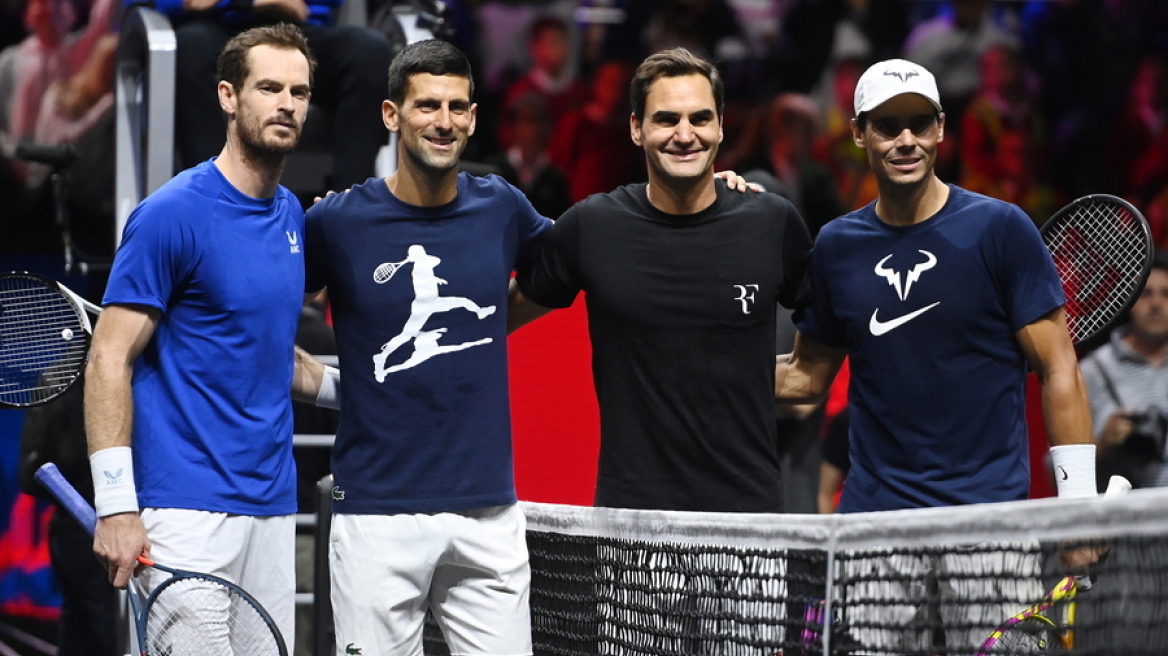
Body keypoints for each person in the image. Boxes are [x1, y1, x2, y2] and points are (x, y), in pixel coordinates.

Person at [774, 58, 1101, 653]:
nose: (905, 140)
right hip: (876, 522)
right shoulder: (836, 246)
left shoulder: (1001, 228)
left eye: (919, 124)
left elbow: (1060, 369)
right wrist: (701, 367)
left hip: (990, 521)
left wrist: (1077, 509)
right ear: (858, 133)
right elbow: (804, 376)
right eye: (888, 125)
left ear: (941, 129)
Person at [83, 24, 332, 648]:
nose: (286, 104)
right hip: (184, 514)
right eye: (269, 87)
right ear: (228, 96)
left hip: (272, 509)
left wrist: (363, 392)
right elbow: (108, 357)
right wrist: (116, 506)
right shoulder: (172, 214)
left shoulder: (290, 217)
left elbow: (269, 355)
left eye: (298, 92)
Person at [301, 38, 550, 656]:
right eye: (427, 105)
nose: (444, 122)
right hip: (376, 517)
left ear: (471, 117)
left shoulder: (503, 208)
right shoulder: (336, 222)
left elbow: (565, 272)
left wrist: (720, 183)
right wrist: (337, 386)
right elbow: (260, 318)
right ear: (392, 115)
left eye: (457, 107)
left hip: (488, 514)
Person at [512, 47, 813, 514]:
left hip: (750, 521)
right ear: (637, 128)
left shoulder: (772, 222)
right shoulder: (592, 226)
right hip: (630, 524)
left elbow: (816, 366)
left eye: (700, 118)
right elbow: (495, 319)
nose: (685, 134)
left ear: (720, 127)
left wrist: (743, 376)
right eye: (667, 119)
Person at [161, 0, 393, 192]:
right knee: (192, 46)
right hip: (218, 28)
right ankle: (211, 197)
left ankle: (349, 206)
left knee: (368, 51)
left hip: (298, 31)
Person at [1081, 251, 1168, 489]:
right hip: (1126, 518)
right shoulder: (1093, 371)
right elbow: (1056, 472)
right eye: (1146, 294)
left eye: (1166, 294)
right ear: (1130, 300)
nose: (1157, 304)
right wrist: (1103, 444)